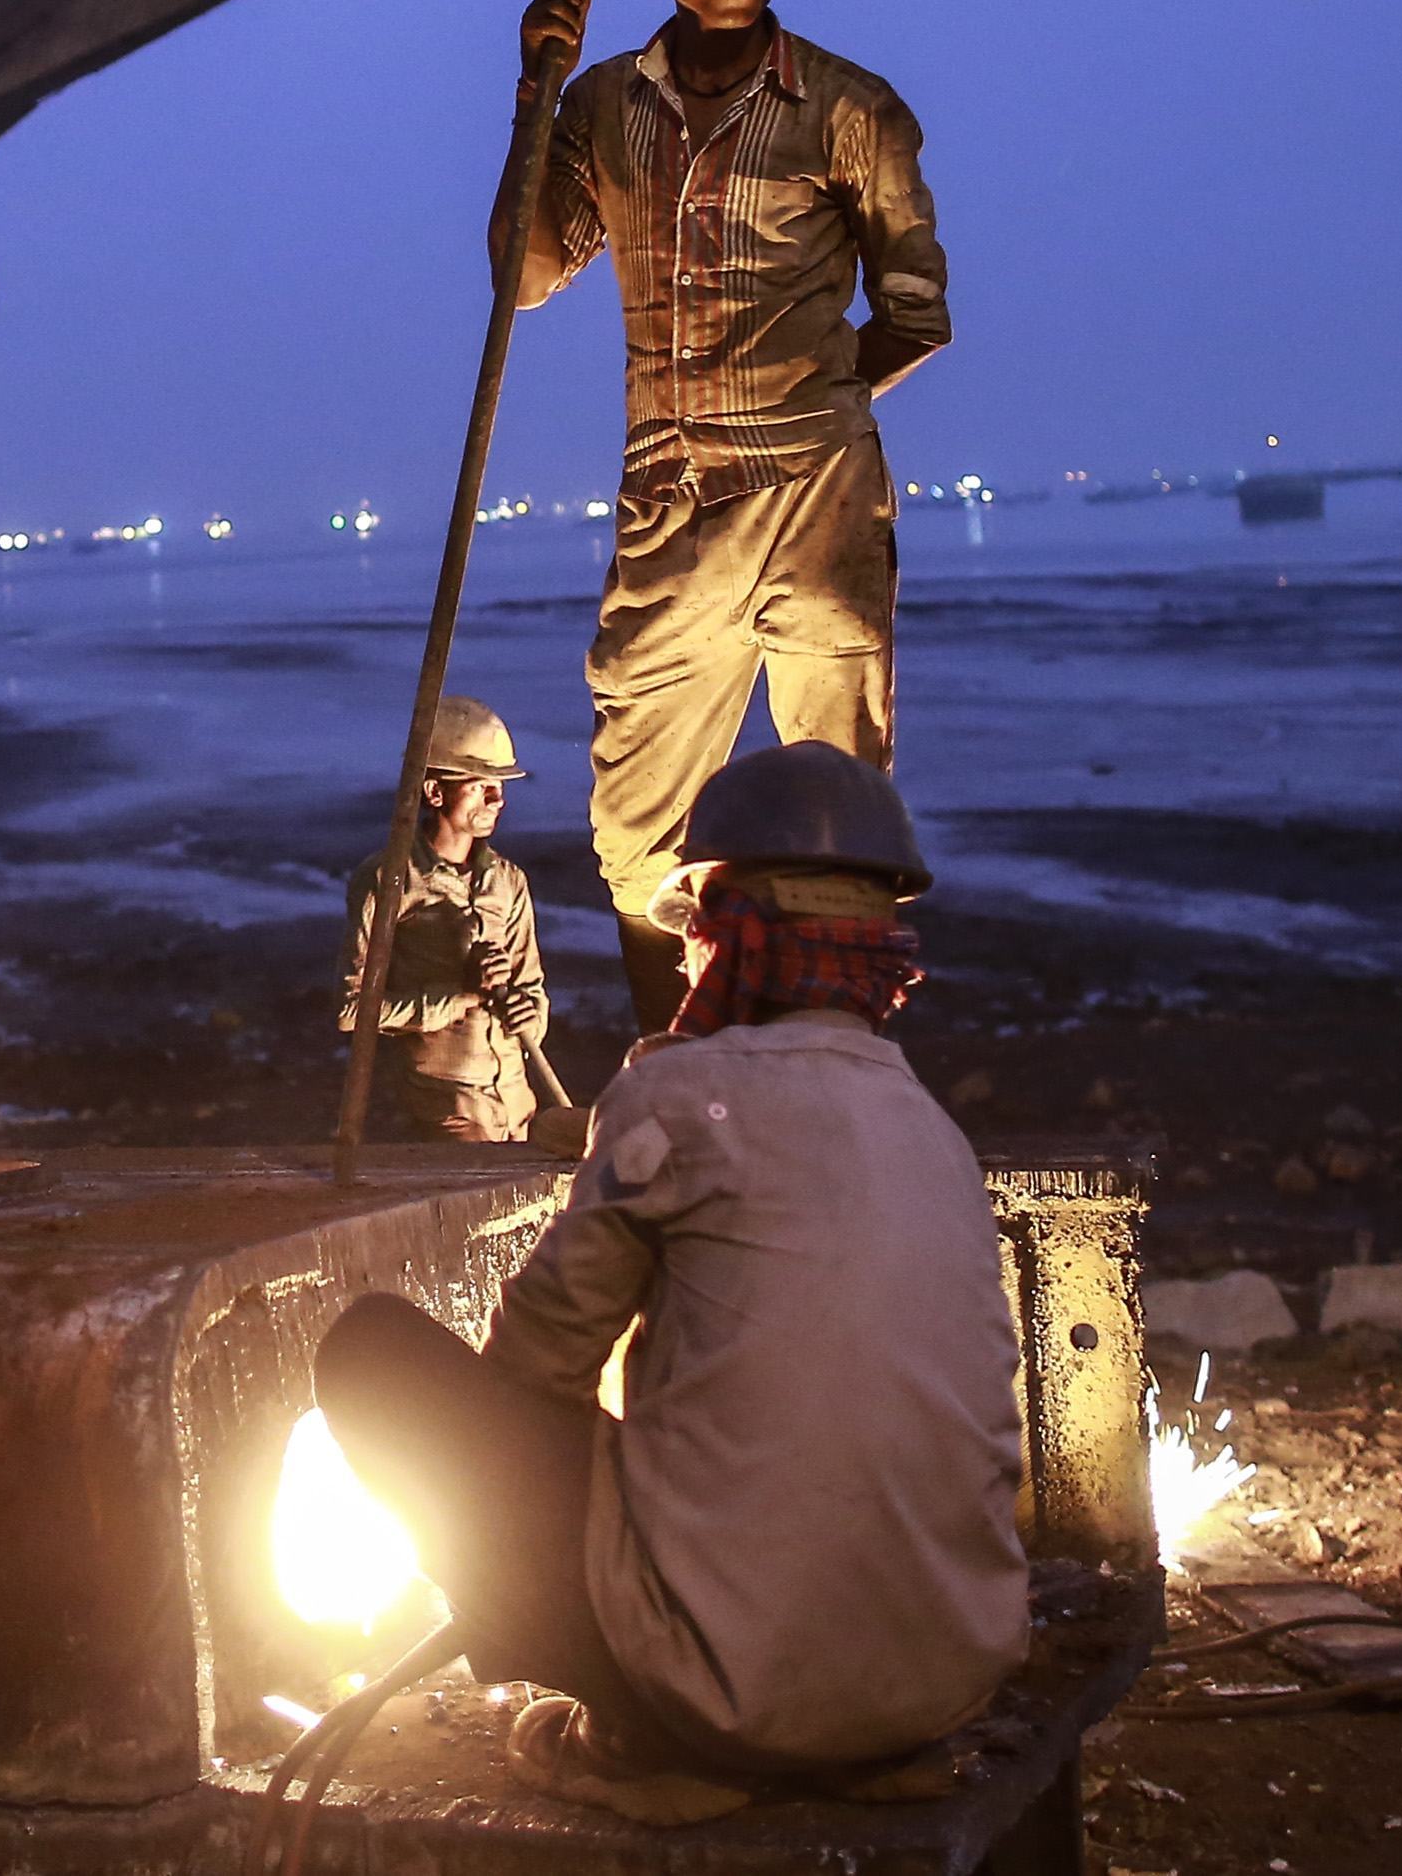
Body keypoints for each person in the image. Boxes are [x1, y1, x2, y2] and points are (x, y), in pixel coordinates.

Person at [312, 743, 1020, 1823]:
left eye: (693, 940)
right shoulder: (936, 1137)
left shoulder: (675, 1096)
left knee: (369, 1355)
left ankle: (646, 1736)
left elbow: (532, 1369)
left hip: (721, 1699)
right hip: (940, 1687)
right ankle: (860, 1744)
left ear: (719, 936)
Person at [496, 0, 950, 1033]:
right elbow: (522, 276)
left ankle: (836, 1066)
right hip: (668, 499)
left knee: (837, 798)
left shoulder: (851, 109)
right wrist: (531, 98)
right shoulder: (599, 108)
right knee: (637, 820)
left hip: (817, 495)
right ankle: (671, 1066)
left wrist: (809, 406)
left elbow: (914, 308)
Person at [335, 697, 548, 1142]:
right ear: (435, 793)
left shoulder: (508, 881)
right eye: (480, 785)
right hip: (447, 1112)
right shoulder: (387, 880)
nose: (497, 799)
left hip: (518, 1108)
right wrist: (463, 996)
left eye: (500, 786)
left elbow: (533, 994)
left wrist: (528, 1014)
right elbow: (353, 1011)